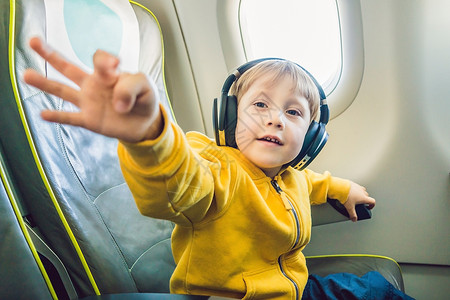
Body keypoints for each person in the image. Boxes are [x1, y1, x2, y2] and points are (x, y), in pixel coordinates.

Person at [24, 37, 412, 299]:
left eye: (293, 112)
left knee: (375, 289)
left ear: (311, 138)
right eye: (260, 105)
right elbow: (179, 184)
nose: (275, 119)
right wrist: (150, 134)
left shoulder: (288, 176)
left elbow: (308, 182)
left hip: (294, 289)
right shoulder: (214, 168)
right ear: (229, 115)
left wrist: (341, 189)